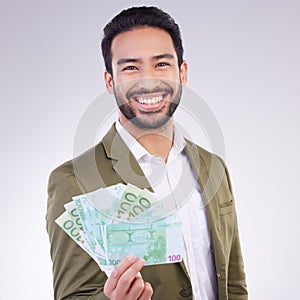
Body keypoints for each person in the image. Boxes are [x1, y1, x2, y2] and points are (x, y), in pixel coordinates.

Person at [46, 6, 248, 300]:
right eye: (130, 67)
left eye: (161, 64)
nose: (148, 81)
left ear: (182, 73)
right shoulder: (73, 180)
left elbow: (234, 283)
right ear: (110, 81)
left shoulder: (213, 166)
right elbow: (73, 296)